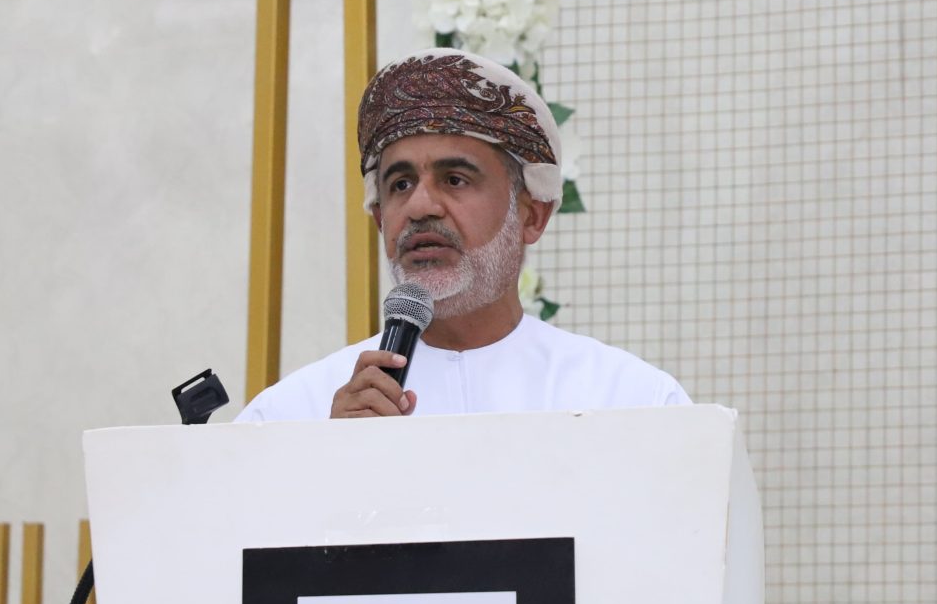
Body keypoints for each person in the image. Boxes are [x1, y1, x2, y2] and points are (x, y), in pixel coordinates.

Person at [236, 49, 689, 421]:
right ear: (379, 220)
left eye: (455, 179)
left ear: (532, 216)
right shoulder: (292, 416)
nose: (420, 207)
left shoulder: (631, 403)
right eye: (400, 184)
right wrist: (326, 462)